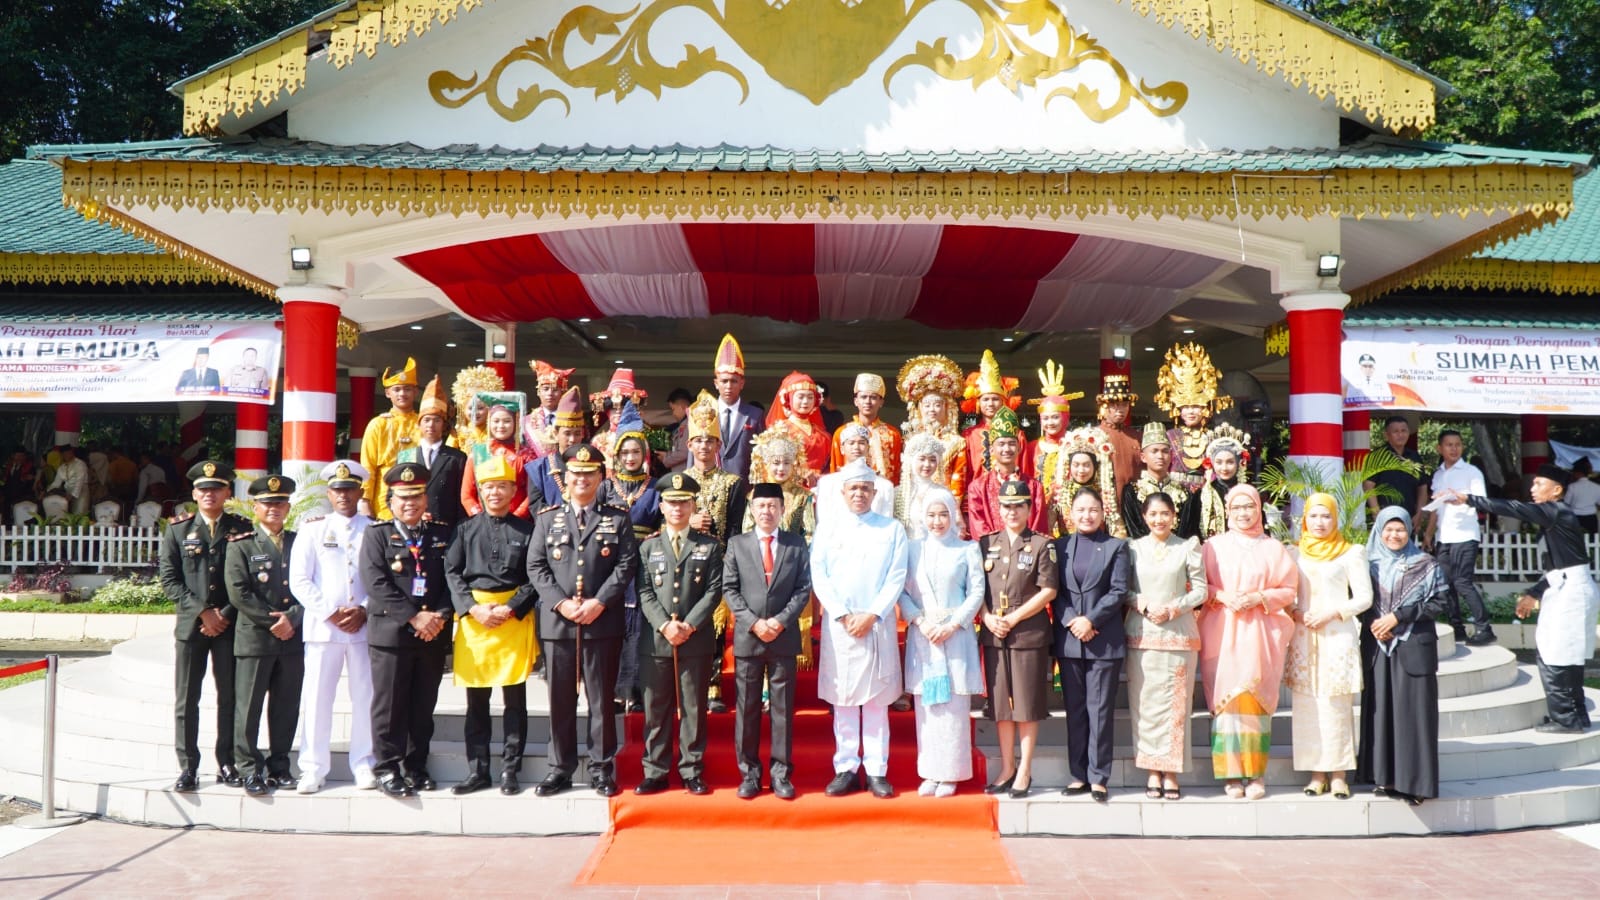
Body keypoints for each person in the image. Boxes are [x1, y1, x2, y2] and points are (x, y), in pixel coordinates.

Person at [526, 444, 641, 797]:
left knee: (602, 700)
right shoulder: (548, 518)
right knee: (560, 699)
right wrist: (560, 603)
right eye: (575, 474)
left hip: (601, 623)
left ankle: (601, 767)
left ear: (600, 477)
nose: (582, 480)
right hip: (558, 624)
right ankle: (560, 767)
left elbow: (626, 565)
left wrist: (599, 602)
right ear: (567, 479)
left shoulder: (617, 518)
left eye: (589, 474)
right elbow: (535, 565)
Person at [1451, 465, 1600, 734]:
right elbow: (1560, 568)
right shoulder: (1557, 515)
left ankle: (1566, 718)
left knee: (1556, 653)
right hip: (1569, 586)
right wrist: (1533, 593)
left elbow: (1513, 509)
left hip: (1570, 592)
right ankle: (1574, 715)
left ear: (1556, 490)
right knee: (1566, 653)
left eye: (1539, 483)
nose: (1532, 489)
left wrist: (1469, 499)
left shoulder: (1555, 511)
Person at [813, 459, 910, 799]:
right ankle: (845, 767)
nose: (859, 494)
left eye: (865, 488)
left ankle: (877, 770)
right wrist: (841, 613)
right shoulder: (828, 528)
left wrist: (872, 613)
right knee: (843, 699)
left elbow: (896, 576)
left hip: (876, 624)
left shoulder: (891, 529)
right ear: (843, 492)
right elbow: (819, 575)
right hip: (840, 626)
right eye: (853, 488)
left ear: (874, 492)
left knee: (876, 700)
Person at [359, 461, 454, 797]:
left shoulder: (442, 534)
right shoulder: (376, 535)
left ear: (425, 499)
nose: (410, 503)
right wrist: (414, 618)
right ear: (390, 501)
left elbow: (451, 581)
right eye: (403, 498)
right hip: (392, 635)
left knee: (422, 706)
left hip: (431, 634)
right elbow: (376, 583)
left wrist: (439, 616)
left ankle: (416, 766)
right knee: (389, 707)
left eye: (416, 496)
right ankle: (387, 768)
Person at [445, 456, 538, 796]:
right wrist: (472, 609)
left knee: (515, 701)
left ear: (514, 490)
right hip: (475, 622)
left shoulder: (528, 530)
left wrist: (512, 607)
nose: (495, 492)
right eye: (488, 486)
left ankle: (510, 769)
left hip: (513, 620)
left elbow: (535, 576)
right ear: (480, 491)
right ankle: (478, 770)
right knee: (477, 702)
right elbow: (452, 574)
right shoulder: (464, 529)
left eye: (502, 486)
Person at [1199, 484, 1297, 800]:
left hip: (1259, 634)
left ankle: (1255, 774)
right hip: (1222, 631)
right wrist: (1221, 595)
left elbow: (1288, 589)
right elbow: (1198, 583)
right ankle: (1230, 774)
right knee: (1227, 703)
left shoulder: (1273, 548)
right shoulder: (1212, 547)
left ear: (1258, 509)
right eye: (1237, 507)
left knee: (1253, 700)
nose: (1244, 513)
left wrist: (1258, 597)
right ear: (1228, 511)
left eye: (1249, 507)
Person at [159, 460, 252, 792]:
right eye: (203, 489)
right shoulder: (178, 530)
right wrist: (202, 612)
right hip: (191, 628)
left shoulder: (242, 529)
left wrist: (223, 614)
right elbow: (169, 580)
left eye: (216, 488)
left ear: (227, 492)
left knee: (230, 697)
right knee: (187, 699)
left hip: (229, 626)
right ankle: (188, 766)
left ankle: (226, 761)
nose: (209, 494)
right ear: (194, 494)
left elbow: (246, 580)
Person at [289, 460, 377, 794]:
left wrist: (364, 610)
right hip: (323, 629)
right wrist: (329, 612)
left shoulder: (373, 529)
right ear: (329, 493)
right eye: (338, 490)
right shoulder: (312, 529)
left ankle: (364, 764)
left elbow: (378, 579)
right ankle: (312, 767)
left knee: (364, 697)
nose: (344, 495)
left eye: (350, 489)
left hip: (362, 627)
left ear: (360, 491)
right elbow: (299, 579)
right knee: (316, 698)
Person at [633, 473, 723, 796]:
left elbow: (714, 591)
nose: (677, 508)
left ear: (692, 505)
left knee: (693, 707)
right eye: (671, 502)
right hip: (657, 641)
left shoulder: (709, 546)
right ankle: (655, 770)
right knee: (656, 707)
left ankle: (692, 769)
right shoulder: (648, 548)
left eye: (683, 502)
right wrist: (665, 625)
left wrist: (688, 625)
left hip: (694, 639)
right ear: (661, 505)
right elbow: (644, 592)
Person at [725, 481, 813, 799]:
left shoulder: (795, 545)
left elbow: (803, 588)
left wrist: (778, 621)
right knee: (747, 709)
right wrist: (753, 623)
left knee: (782, 710)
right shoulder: (737, 544)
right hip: (749, 639)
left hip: (783, 636)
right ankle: (748, 774)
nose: (767, 511)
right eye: (761, 506)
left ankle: (781, 774)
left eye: (773, 505)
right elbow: (729, 589)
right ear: (752, 509)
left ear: (782, 509)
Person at [1284, 493, 1372, 799]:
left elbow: (1364, 597)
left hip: (1337, 634)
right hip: (1304, 633)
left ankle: (1338, 774)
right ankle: (1315, 773)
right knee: (1307, 705)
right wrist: (1296, 612)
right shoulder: (1293, 554)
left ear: (1336, 519)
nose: (1320, 523)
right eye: (1314, 516)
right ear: (1304, 519)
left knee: (1336, 705)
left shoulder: (1351, 552)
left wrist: (1333, 612)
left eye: (1326, 516)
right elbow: (1288, 597)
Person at [1356, 507, 1447, 804]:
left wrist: (1398, 617)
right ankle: (1385, 778)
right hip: (1377, 646)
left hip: (1413, 645)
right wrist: (1375, 621)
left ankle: (1416, 784)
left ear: (1410, 531)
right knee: (1382, 712)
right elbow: (1360, 601)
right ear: (1379, 531)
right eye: (1389, 530)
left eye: (1401, 530)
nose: (1394, 535)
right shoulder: (1368, 565)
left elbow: (1439, 603)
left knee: (1414, 715)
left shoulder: (1426, 564)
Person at [900, 487, 984, 798]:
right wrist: (920, 621)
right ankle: (930, 772)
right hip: (924, 635)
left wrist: (953, 624)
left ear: (953, 515)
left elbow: (976, 592)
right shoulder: (912, 550)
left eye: (943, 514)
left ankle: (952, 773)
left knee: (953, 708)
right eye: (932, 515)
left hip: (955, 635)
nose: (937, 521)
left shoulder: (967, 550)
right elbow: (902, 592)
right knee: (928, 708)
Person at [978, 476, 1058, 799]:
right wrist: (985, 617)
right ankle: (1007, 766)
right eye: (1006, 506)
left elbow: (1049, 591)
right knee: (1001, 706)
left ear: (1029, 508)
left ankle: (1025, 768)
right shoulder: (986, 543)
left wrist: (1012, 617)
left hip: (1027, 633)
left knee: (1025, 703)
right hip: (994, 633)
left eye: (1019, 506)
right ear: (999, 509)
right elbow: (976, 590)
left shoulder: (1042, 544)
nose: (1012, 512)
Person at [1125, 491, 1207, 801]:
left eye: (1165, 514)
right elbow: (1124, 590)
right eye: (1153, 514)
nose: (1159, 520)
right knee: (1145, 707)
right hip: (1142, 634)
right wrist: (1144, 605)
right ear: (1144, 517)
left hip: (1178, 635)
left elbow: (1201, 589)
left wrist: (1174, 608)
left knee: (1177, 706)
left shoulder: (1187, 547)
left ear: (1174, 515)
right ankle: (1151, 770)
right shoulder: (1133, 549)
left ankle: (1171, 771)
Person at [224, 474, 302, 796]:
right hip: (256, 637)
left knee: (286, 706)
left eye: (280, 503)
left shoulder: (300, 542)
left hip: (293, 638)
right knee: (249, 707)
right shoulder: (241, 545)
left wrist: (294, 617)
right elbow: (238, 592)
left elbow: (313, 583)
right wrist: (274, 621)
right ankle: (250, 769)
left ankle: (280, 766)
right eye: (267, 503)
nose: (274, 508)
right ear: (255, 507)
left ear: (287, 507)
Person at [1053, 487, 1128, 802]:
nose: (1087, 515)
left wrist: (1090, 621)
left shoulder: (1116, 547)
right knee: (1076, 710)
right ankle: (1078, 773)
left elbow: (1119, 590)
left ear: (1102, 512)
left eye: (1093, 509)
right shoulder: (1060, 546)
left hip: (1102, 641)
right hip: (1070, 640)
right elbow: (1052, 590)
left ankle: (1099, 776)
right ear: (1071, 513)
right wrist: (1073, 620)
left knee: (1100, 711)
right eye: (1081, 510)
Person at [678, 390, 748, 713]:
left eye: (710, 441)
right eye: (698, 441)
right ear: (689, 445)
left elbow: (735, 528)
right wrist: (689, 521)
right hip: (682, 560)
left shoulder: (733, 482)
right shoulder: (677, 482)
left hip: (717, 562)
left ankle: (714, 685)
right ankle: (683, 684)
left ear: (719, 446)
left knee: (715, 625)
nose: (704, 446)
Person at [598, 402, 663, 712]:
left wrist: (656, 537)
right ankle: (610, 692)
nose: (630, 458)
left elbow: (666, 525)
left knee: (638, 628)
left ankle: (635, 691)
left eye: (636, 453)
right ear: (617, 456)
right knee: (612, 629)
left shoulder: (656, 488)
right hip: (609, 564)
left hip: (645, 564)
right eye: (625, 453)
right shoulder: (605, 487)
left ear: (644, 455)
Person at [1425, 429, 1493, 645]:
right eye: (1449, 445)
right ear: (1440, 448)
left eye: (1458, 444)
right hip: (1443, 536)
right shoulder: (1438, 474)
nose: (1454, 449)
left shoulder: (1471, 472)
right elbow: (1436, 509)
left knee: (1463, 583)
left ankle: (1485, 628)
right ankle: (1458, 628)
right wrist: (1428, 534)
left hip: (1464, 534)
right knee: (1445, 584)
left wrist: (1459, 498)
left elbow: (1481, 501)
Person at [964, 407, 1047, 538]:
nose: (1007, 449)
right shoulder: (978, 487)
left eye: (1011, 443)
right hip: (991, 554)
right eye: (1001, 444)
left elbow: (1039, 527)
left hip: (1027, 554)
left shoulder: (1034, 487)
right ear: (991, 449)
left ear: (1019, 448)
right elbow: (979, 529)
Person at [1155, 342, 1229, 487]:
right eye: (1185, 407)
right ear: (1178, 409)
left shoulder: (1214, 437)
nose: (1190, 411)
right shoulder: (1170, 436)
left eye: (1195, 406)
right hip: (1175, 494)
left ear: (1205, 408)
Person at [400, 376, 467, 526]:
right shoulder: (406, 456)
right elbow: (394, 494)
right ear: (419, 424)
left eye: (437, 420)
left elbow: (461, 498)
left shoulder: (457, 458)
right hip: (412, 526)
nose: (431, 425)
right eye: (427, 420)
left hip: (446, 529)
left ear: (444, 425)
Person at [360, 358, 421, 520]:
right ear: (388, 393)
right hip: (385, 500)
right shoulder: (378, 424)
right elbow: (368, 467)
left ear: (415, 392)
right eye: (397, 389)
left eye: (407, 389)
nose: (402, 394)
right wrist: (365, 501)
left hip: (418, 494)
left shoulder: (424, 423)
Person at [962, 349, 1031, 486]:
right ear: (978, 403)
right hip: (978, 496)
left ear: (1003, 402)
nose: (990, 404)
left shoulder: (1017, 435)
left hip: (1012, 495)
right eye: (985, 399)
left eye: (995, 399)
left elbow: (1024, 471)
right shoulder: (969, 435)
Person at [1121, 423, 1199, 540]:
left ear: (1171, 455)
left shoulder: (1184, 493)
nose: (1160, 456)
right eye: (1154, 451)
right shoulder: (1132, 491)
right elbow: (1134, 530)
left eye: (1165, 451)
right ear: (1143, 457)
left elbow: (1187, 531)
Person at [459, 395, 528, 519]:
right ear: (489, 423)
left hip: (517, 524)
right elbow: (466, 495)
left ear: (515, 423)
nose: (501, 426)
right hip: (482, 523)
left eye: (507, 421)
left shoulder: (524, 455)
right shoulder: (477, 453)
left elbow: (531, 495)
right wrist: (481, 520)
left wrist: (516, 518)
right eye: (496, 421)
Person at [830, 373, 903, 484]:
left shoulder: (892, 434)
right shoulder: (842, 433)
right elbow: (836, 469)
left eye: (873, 397)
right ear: (856, 401)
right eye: (863, 397)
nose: (868, 402)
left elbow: (898, 471)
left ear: (881, 402)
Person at [1045, 428, 1119, 538]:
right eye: (1076, 465)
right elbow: (1047, 528)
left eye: (1086, 465)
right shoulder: (1058, 494)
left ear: (1095, 466)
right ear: (1069, 466)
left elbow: (1117, 530)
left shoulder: (1105, 493)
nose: (1081, 470)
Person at [816, 423, 894, 526]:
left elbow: (886, 522)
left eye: (861, 443)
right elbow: (823, 522)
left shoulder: (884, 485)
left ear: (868, 449)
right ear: (842, 449)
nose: (856, 447)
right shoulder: (827, 483)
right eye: (851, 443)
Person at [525, 386, 587, 509]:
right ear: (555, 433)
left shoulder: (594, 465)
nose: (572, 439)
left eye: (577, 434)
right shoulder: (539, 468)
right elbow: (536, 506)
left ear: (583, 434)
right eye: (567, 433)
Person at [712, 333, 763, 479]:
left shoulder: (755, 415)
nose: (728, 386)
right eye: (724, 381)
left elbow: (760, 457)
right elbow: (693, 456)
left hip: (743, 488)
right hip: (709, 488)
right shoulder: (704, 413)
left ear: (742, 383)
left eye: (734, 381)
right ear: (716, 383)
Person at [895, 432, 962, 541]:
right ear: (912, 460)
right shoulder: (899, 494)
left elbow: (955, 529)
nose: (927, 465)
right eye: (922, 459)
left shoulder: (943, 493)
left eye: (932, 460)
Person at [766, 371, 831, 479]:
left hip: (819, 489)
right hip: (789, 489)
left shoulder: (824, 436)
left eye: (810, 397)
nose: (805, 401)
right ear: (789, 399)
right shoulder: (779, 432)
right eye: (800, 397)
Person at [1029, 359, 1085, 486]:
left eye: (1055, 417)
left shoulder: (1076, 445)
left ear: (1065, 417)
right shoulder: (1032, 448)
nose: (1050, 422)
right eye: (1046, 418)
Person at [1364, 415, 1428, 520]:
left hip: (1409, 516)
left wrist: (1419, 513)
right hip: (1384, 516)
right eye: (1396, 432)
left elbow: (1422, 486)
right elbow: (1368, 485)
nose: (1400, 435)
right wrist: (1376, 513)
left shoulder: (1414, 457)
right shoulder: (1378, 456)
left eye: (1404, 431)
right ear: (1386, 435)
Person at [1091, 373, 1142, 502]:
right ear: (1104, 406)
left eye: (1124, 405)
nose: (1120, 410)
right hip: (1105, 502)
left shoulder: (1137, 437)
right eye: (1114, 405)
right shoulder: (1093, 437)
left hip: (1134, 504)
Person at [1196, 428, 1251, 540]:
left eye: (1230, 462)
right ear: (1211, 463)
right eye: (1219, 462)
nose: (1224, 468)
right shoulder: (1200, 496)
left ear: (1239, 463)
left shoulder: (1249, 494)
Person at [525, 359, 576, 459]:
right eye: (545, 389)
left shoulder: (573, 419)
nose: (550, 394)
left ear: (563, 392)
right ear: (538, 392)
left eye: (555, 389)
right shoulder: (526, 421)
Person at [449, 365, 506, 456]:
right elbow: (449, 458)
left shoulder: (498, 430)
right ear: (463, 409)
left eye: (480, 408)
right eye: (470, 408)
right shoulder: (458, 433)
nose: (475, 413)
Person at [46, 444, 89, 516]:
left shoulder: (80, 464)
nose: (66, 455)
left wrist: (72, 495)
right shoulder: (62, 467)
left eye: (68, 453)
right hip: (67, 493)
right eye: (64, 454)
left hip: (81, 492)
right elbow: (56, 483)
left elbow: (79, 481)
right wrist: (47, 492)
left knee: (79, 514)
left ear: (72, 453)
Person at [1565, 458, 1600, 534]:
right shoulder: (1596, 487)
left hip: (1576, 518)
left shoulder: (1572, 486)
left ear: (1578, 473)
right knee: (1592, 541)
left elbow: (1566, 503)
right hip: (1591, 518)